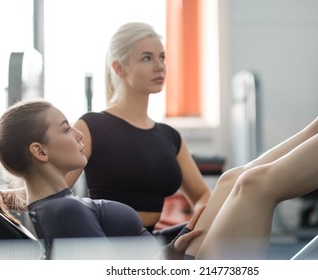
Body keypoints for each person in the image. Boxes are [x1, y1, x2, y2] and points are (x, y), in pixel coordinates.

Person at [0, 53, 318, 259]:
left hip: (181, 262)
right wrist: (170, 256)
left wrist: (170, 243)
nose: (76, 132)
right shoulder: (62, 211)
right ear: (39, 151)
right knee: (254, 185)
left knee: (229, 181)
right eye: (63, 129)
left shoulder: (58, 205)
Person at [65, 22, 211, 234]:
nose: (159, 66)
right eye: (147, 58)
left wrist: (201, 222)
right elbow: (53, 192)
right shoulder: (91, 126)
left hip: (153, 240)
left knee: (233, 185)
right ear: (119, 68)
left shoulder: (170, 136)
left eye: (162, 57)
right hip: (111, 244)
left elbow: (202, 196)